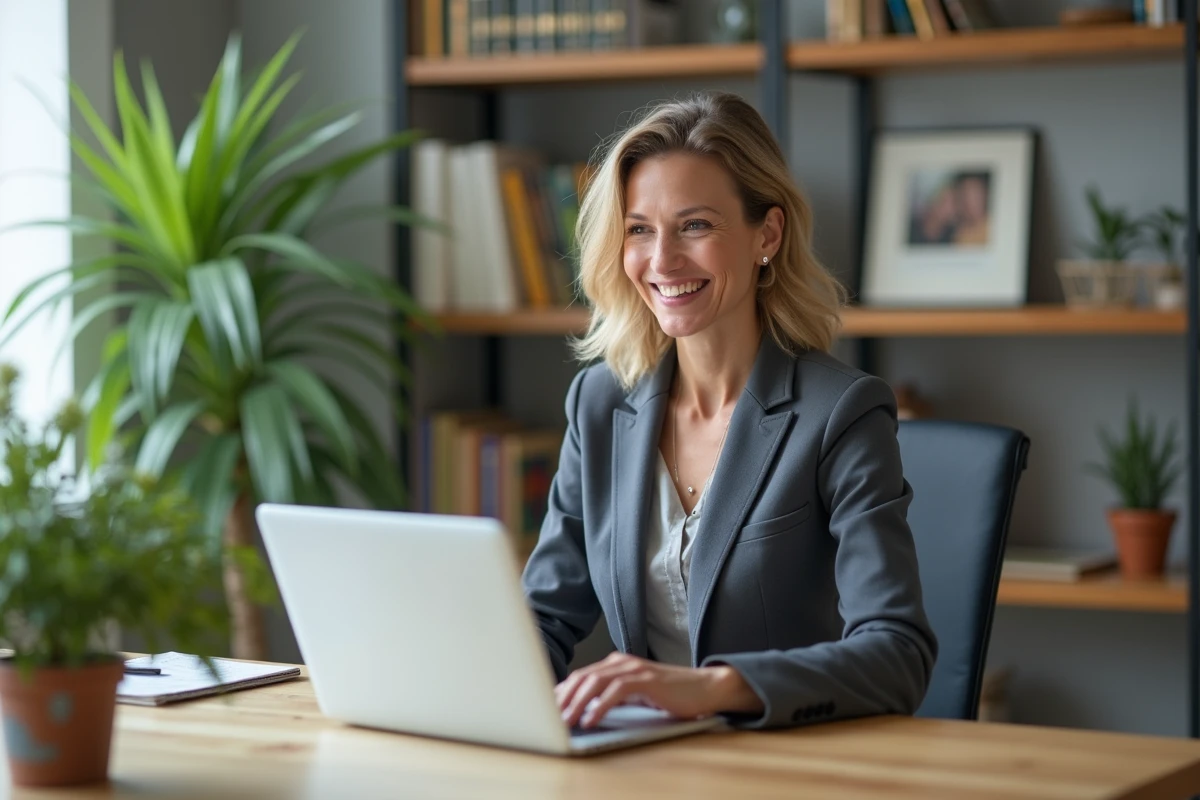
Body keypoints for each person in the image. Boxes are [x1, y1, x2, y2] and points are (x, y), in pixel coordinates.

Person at [521, 92, 937, 731]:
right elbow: (546, 617)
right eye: (639, 229)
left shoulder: (841, 414)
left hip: (786, 763)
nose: (662, 261)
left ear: (765, 235)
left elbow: (896, 654)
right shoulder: (601, 403)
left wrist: (708, 689)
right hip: (643, 764)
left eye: (696, 225)